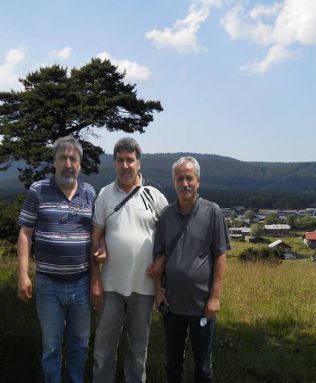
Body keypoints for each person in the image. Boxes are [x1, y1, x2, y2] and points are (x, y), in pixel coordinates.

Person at [17, 136, 96, 383]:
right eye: (63, 158)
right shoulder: (38, 190)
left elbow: (95, 235)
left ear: (80, 164)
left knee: (80, 345)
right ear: (54, 162)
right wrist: (22, 274)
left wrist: (99, 265)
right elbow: (24, 233)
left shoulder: (89, 193)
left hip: (82, 284)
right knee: (51, 347)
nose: (68, 163)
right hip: (48, 285)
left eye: (73, 159)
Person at [90, 137, 168, 383]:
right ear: (114, 164)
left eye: (130, 160)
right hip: (110, 286)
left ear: (139, 163)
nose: (125, 166)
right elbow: (96, 238)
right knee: (103, 351)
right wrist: (95, 279)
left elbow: (169, 238)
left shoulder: (154, 196)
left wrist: (161, 265)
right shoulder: (104, 194)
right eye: (120, 160)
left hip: (143, 287)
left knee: (138, 352)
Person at [148, 156, 230, 383]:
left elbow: (220, 256)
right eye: (180, 179)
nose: (185, 183)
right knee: (173, 365)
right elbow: (158, 256)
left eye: (189, 178)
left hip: (202, 305)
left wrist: (214, 297)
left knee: (203, 368)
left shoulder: (212, 211)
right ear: (173, 182)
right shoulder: (166, 215)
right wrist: (158, 292)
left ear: (198, 182)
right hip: (172, 305)